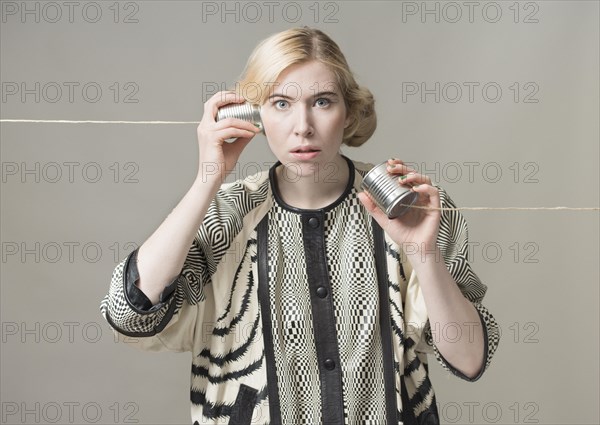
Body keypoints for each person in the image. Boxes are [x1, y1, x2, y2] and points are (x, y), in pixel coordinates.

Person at [100, 26, 499, 425]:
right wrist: (209, 177)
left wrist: (424, 255)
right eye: (281, 103)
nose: (303, 126)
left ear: (349, 112)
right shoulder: (225, 213)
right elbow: (129, 314)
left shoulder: (410, 209)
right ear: (255, 115)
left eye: (322, 102)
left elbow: (469, 359)